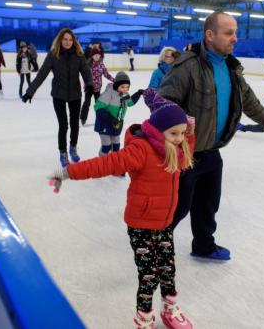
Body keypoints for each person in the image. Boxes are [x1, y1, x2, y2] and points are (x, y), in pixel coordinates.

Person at [48, 89, 195, 329]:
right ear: (158, 131)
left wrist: (187, 127)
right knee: (148, 275)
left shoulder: (177, 150)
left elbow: (188, 139)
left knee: (168, 268)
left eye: (182, 133)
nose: (179, 138)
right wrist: (66, 173)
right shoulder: (141, 151)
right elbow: (104, 164)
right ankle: (144, 319)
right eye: (174, 133)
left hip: (164, 223)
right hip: (141, 225)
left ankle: (170, 309)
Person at [158, 11, 264, 261]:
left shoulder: (231, 68)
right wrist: (178, 130)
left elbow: (247, 98)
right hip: (186, 153)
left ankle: (203, 245)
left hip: (212, 150)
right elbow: (164, 101)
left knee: (208, 205)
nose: (235, 38)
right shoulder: (187, 66)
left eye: (235, 32)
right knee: (178, 207)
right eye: (229, 33)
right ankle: (155, 243)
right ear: (210, 35)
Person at [22, 28, 93, 166]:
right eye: (65, 39)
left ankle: (73, 147)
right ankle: (63, 152)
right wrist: (30, 91)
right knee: (63, 125)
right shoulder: (54, 55)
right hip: (58, 94)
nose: (67, 42)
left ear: (74, 41)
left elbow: (86, 71)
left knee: (74, 123)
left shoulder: (79, 55)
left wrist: (89, 84)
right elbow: (42, 73)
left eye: (70, 39)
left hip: (75, 94)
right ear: (60, 40)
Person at [94, 72, 143, 157]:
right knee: (107, 146)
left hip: (117, 124)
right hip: (105, 123)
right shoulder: (109, 94)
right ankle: (101, 161)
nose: (125, 89)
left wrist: (138, 94)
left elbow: (130, 102)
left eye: (127, 87)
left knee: (116, 146)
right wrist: (111, 118)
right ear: (117, 86)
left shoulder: (125, 95)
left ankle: (114, 162)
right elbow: (98, 107)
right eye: (122, 87)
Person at [80, 47, 114, 125]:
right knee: (87, 102)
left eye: (98, 55)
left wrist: (114, 80)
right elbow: (84, 74)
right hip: (89, 87)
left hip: (97, 88)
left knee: (99, 105)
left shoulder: (101, 65)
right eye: (95, 55)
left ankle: (100, 119)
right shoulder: (88, 65)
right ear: (92, 56)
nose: (97, 56)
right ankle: (83, 118)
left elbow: (106, 75)